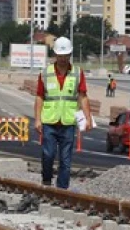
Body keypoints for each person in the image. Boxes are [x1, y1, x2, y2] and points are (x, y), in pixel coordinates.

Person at [34, 36, 94, 190]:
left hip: (68, 122)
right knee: (48, 154)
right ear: (55, 55)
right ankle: (46, 180)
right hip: (49, 122)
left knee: (65, 161)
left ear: (70, 54)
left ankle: (62, 190)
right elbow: (40, 97)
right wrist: (37, 119)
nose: (62, 59)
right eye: (60, 56)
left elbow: (83, 96)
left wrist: (88, 118)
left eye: (65, 55)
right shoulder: (45, 73)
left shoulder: (77, 73)